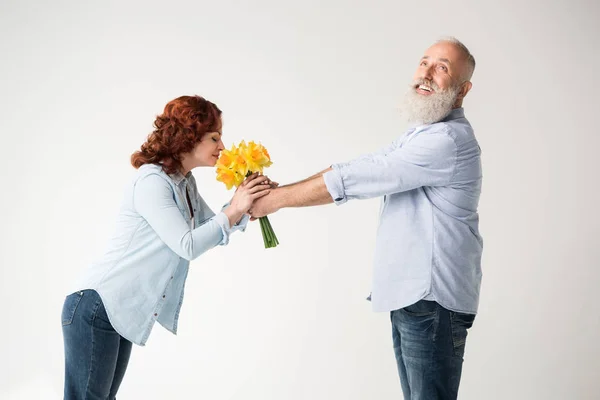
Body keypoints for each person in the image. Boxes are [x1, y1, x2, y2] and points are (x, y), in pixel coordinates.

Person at [249, 37, 482, 400]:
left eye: (442, 67)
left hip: (432, 302)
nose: (427, 73)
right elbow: (360, 166)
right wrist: (279, 190)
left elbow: (362, 179)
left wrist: (275, 201)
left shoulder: (446, 140)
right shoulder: (420, 134)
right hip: (414, 298)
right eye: (424, 62)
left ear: (463, 89)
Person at [61, 95, 272, 399]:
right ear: (190, 135)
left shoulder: (183, 183)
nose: (222, 147)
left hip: (113, 310)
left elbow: (210, 228)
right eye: (214, 137)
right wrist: (235, 210)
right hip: (97, 306)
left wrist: (246, 201)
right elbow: (188, 245)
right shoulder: (152, 181)